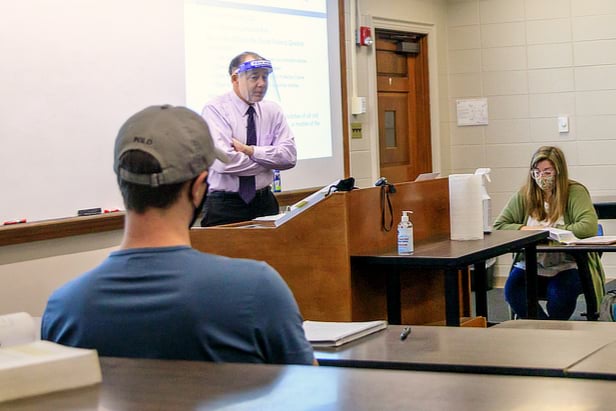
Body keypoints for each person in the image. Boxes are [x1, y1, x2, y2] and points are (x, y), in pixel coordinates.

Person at [41, 105, 315, 365]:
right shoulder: (257, 290)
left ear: (122, 184)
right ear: (198, 188)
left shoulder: (64, 308)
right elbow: (309, 387)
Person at [494, 146, 605, 320]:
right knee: (512, 291)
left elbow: (588, 227)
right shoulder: (525, 195)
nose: (541, 177)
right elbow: (500, 226)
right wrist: (533, 231)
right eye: (536, 172)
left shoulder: (575, 192)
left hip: (567, 265)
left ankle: (551, 331)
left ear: (559, 171)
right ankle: (544, 329)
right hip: (531, 264)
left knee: (559, 295)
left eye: (547, 172)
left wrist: (554, 232)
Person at [200, 51, 297, 226]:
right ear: (235, 79)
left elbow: (289, 157)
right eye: (254, 78)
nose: (261, 84)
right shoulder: (215, 109)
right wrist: (269, 160)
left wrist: (250, 151)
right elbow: (224, 162)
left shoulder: (272, 110)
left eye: (265, 77)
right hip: (225, 205)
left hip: (264, 201)